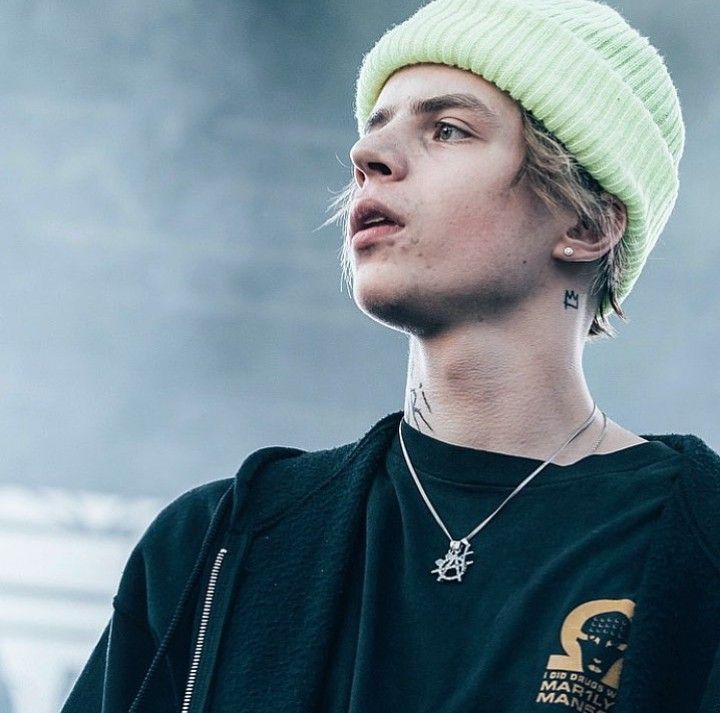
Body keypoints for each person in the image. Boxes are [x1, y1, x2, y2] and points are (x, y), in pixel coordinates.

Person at [61, 0, 720, 711]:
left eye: (448, 129)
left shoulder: (698, 541)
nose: (366, 157)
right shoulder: (213, 543)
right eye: (375, 128)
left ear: (587, 224)